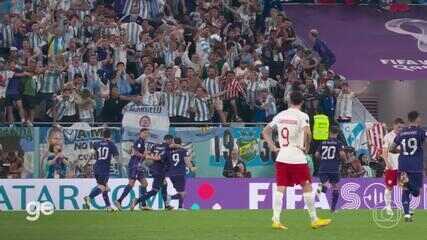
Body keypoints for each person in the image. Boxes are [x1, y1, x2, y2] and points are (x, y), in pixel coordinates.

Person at [262, 91, 331, 230]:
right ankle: (314, 219)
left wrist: (273, 147)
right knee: (306, 186)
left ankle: (276, 219)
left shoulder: (280, 115)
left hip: (282, 156)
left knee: (280, 187)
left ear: (289, 101)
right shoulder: (302, 115)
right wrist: (307, 146)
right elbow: (308, 132)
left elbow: (265, 131)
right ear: (302, 102)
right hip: (297, 157)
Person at [390, 111, 426, 222]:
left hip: (403, 165)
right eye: (419, 118)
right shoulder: (421, 132)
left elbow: (391, 148)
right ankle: (406, 215)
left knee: (405, 189)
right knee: (415, 192)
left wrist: (400, 150)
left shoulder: (401, 133)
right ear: (417, 119)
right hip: (415, 166)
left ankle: (407, 214)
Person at [131, 135, 174, 210]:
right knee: (154, 190)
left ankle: (166, 205)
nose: (173, 142)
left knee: (164, 184)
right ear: (169, 140)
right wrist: (155, 158)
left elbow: (148, 154)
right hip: (160, 170)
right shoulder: (167, 147)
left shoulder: (155, 145)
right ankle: (137, 200)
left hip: (154, 169)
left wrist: (149, 158)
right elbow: (159, 158)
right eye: (172, 140)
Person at [83, 129, 119, 211]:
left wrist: (86, 163)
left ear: (102, 136)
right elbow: (116, 157)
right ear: (110, 136)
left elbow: (91, 153)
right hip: (104, 168)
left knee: (105, 186)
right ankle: (88, 197)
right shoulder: (111, 144)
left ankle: (108, 207)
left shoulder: (97, 143)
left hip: (96, 167)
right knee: (102, 187)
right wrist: (120, 162)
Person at [115, 128, 151, 210]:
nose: (146, 135)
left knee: (145, 184)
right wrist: (144, 155)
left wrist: (145, 155)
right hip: (135, 165)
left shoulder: (142, 142)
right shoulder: (139, 141)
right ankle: (119, 201)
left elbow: (134, 151)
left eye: (147, 133)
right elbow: (135, 152)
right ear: (140, 133)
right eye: (145, 133)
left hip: (138, 165)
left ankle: (143, 204)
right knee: (131, 183)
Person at [315, 125, 346, 213]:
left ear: (329, 132)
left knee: (325, 184)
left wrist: (323, 159)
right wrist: (345, 160)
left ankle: (319, 191)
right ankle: (333, 209)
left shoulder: (323, 142)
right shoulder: (338, 143)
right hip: (334, 168)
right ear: (337, 133)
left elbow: (316, 154)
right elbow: (342, 154)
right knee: (335, 187)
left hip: (323, 167)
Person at [166, 137, 196, 210]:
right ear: (181, 142)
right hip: (179, 173)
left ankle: (180, 207)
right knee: (183, 192)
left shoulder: (170, 152)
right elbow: (186, 160)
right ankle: (171, 198)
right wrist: (191, 168)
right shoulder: (183, 150)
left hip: (171, 174)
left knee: (181, 191)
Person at [382, 118, 404, 215]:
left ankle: (404, 207)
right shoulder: (388, 137)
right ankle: (388, 207)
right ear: (394, 125)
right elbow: (384, 152)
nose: (400, 129)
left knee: (404, 187)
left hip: (403, 166)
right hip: (391, 166)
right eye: (399, 127)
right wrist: (387, 163)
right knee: (389, 187)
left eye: (402, 127)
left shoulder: (404, 136)